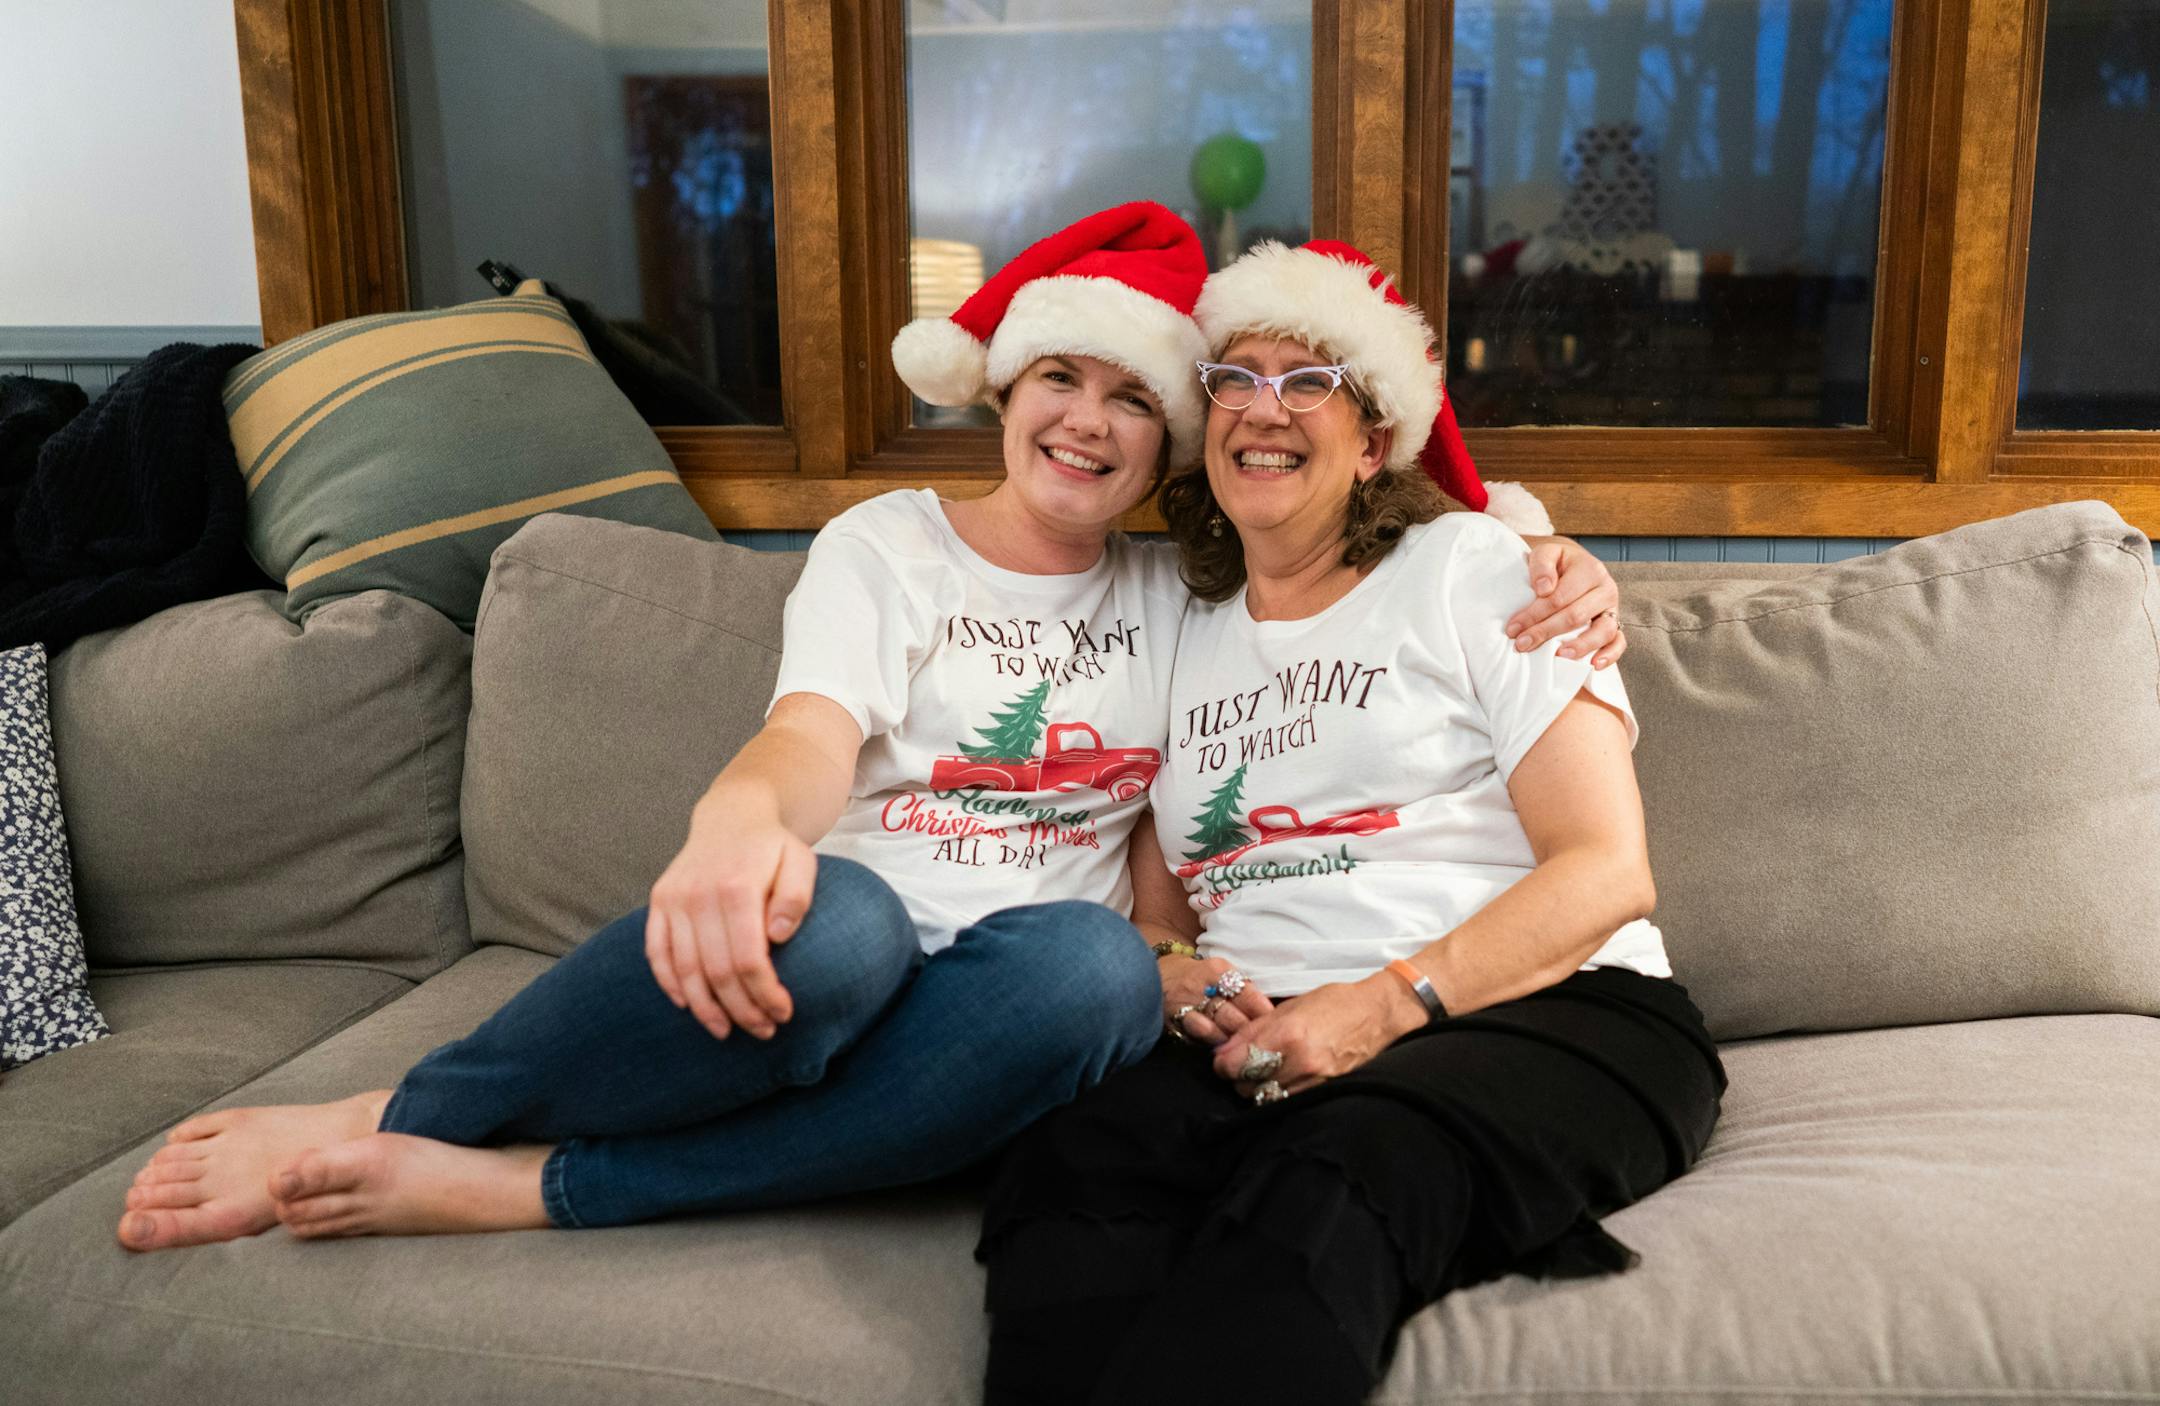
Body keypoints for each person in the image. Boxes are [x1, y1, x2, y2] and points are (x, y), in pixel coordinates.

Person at [114, 208, 1623, 1252]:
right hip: (830, 961)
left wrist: (1553, 551)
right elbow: (809, 736)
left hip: (1011, 1011)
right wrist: (737, 821)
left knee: (1094, 969)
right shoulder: (886, 544)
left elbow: (1369, 590)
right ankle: (405, 1110)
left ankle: (534, 1189)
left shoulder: (1190, 591)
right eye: (1058, 379)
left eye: (1130, 398)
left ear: (1172, 442)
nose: (1087, 422)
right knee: (839, 926)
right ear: (1004, 392)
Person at [975, 240, 1726, 1406]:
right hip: (1266, 1030)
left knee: (1333, 1180)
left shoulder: (1480, 573)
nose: (1263, 410)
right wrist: (1169, 960)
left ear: (1374, 442)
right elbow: (1154, 866)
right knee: (1070, 1164)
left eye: (1309, 381)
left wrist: (1381, 1005)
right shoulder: (1181, 620)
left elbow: (1608, 869)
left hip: (1552, 1006)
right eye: (1236, 378)